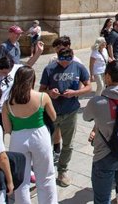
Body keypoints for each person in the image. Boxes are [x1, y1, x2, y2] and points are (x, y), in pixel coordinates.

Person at [83, 60, 118, 204]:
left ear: (107, 76)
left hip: (104, 155)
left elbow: (86, 117)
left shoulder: (97, 102)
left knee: (102, 198)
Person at [2, 66, 58, 204]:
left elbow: (7, 128)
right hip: (39, 135)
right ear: (32, 80)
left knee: (21, 179)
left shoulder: (7, 103)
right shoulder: (42, 97)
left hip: (18, 138)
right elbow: (54, 117)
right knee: (46, 176)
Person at [39, 44, 92, 187]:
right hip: (51, 112)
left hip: (70, 112)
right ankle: (44, 170)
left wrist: (74, 93)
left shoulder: (78, 67)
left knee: (68, 144)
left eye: (68, 60)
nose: (65, 63)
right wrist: (50, 93)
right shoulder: (49, 69)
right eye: (62, 60)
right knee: (45, 143)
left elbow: (88, 86)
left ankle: (62, 171)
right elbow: (41, 90)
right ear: (58, 58)